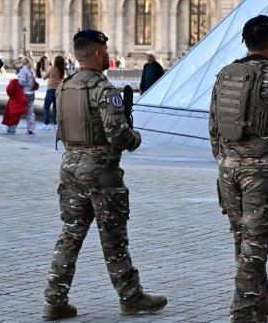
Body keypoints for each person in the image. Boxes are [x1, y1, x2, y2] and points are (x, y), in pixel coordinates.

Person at [43, 29, 167, 320]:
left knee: (70, 235)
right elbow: (117, 135)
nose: (108, 55)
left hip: (70, 166)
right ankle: (131, 297)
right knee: (113, 237)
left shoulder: (64, 86)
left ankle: (54, 299)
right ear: (98, 53)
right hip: (100, 171)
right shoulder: (105, 90)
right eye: (106, 50)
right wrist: (134, 138)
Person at [209, 15, 268, 322]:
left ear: (245, 42)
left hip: (228, 172)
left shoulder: (225, 75)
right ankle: (241, 314)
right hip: (260, 175)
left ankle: (259, 303)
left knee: (244, 241)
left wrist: (225, 160)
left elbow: (213, 126)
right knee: (254, 248)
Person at [41, 55, 66, 130]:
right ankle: (56, 124)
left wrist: (42, 71)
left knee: (46, 107)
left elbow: (44, 77)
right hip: (59, 90)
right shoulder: (62, 70)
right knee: (56, 108)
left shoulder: (52, 69)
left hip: (51, 90)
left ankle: (46, 123)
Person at [14, 56, 37, 135]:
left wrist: (18, 79)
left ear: (23, 62)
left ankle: (12, 127)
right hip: (32, 94)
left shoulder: (23, 70)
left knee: (17, 111)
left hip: (24, 94)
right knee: (30, 112)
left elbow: (22, 82)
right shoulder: (32, 70)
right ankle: (31, 129)